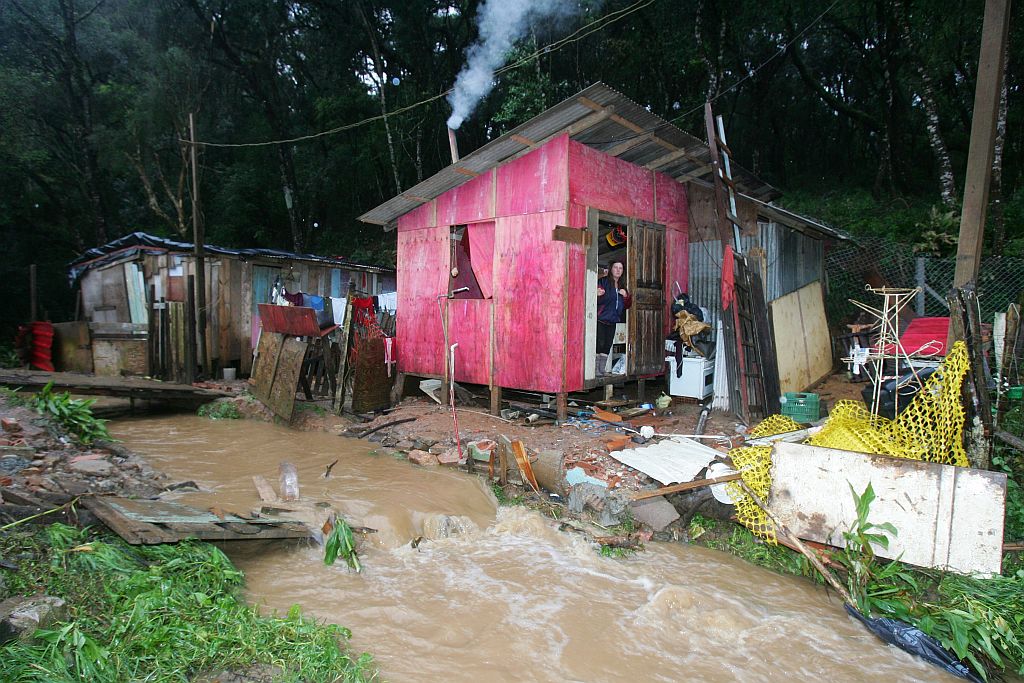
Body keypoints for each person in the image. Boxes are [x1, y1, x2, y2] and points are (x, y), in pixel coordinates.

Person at [596, 260, 631, 356]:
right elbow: (595, 300)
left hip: (613, 319)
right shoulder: (603, 282)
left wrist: (626, 297)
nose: (618, 270)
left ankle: (601, 370)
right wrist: (597, 294)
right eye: (615, 267)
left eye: (620, 268)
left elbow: (627, 305)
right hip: (601, 319)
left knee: (607, 346)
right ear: (611, 269)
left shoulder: (622, 285)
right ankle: (596, 370)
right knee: (599, 345)